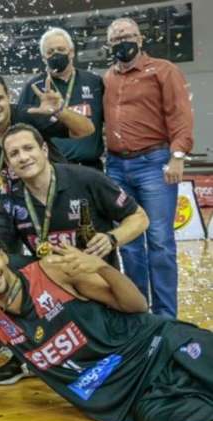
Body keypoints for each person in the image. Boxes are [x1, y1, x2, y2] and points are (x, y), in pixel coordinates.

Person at [0, 226, 213, 421]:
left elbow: (137, 305)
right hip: (132, 396)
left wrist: (103, 268)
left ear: (3, 255)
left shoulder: (50, 271)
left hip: (162, 345)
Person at [103, 18, 194, 319]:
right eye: (116, 39)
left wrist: (178, 155)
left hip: (154, 164)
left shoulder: (164, 70)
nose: (122, 42)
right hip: (116, 166)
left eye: (127, 36)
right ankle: (141, 314)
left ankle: (167, 318)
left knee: (159, 241)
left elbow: (180, 115)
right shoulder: (107, 79)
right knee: (128, 244)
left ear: (140, 39)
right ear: (109, 45)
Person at [0, 123, 148, 268]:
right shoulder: (10, 199)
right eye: (14, 154)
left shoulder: (87, 179)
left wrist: (112, 239)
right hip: (54, 287)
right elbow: (0, 249)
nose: (23, 157)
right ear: (8, 164)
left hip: (99, 282)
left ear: (44, 150)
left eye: (28, 148)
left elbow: (139, 217)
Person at [0, 72, 94, 199]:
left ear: (9, 97)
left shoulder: (30, 116)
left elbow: (86, 130)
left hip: (56, 194)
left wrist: (60, 110)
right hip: (12, 207)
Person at [18, 27, 105, 170]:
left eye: (61, 49)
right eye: (50, 52)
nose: (56, 55)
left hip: (92, 167)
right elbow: (21, 128)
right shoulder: (33, 87)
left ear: (71, 52)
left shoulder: (94, 82)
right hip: (54, 168)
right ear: (44, 58)